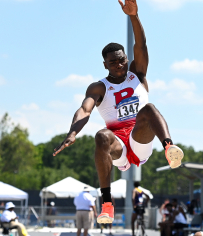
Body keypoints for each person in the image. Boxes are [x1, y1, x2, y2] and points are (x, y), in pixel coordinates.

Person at [52, 0, 184, 224]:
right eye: (113, 62)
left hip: (139, 137)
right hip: (118, 146)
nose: (119, 65)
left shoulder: (137, 74)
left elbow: (140, 45)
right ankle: (107, 204)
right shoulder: (99, 87)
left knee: (149, 108)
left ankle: (169, 148)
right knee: (101, 135)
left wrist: (134, 16)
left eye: (122, 60)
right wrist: (72, 132)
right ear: (105, 64)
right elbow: (84, 109)